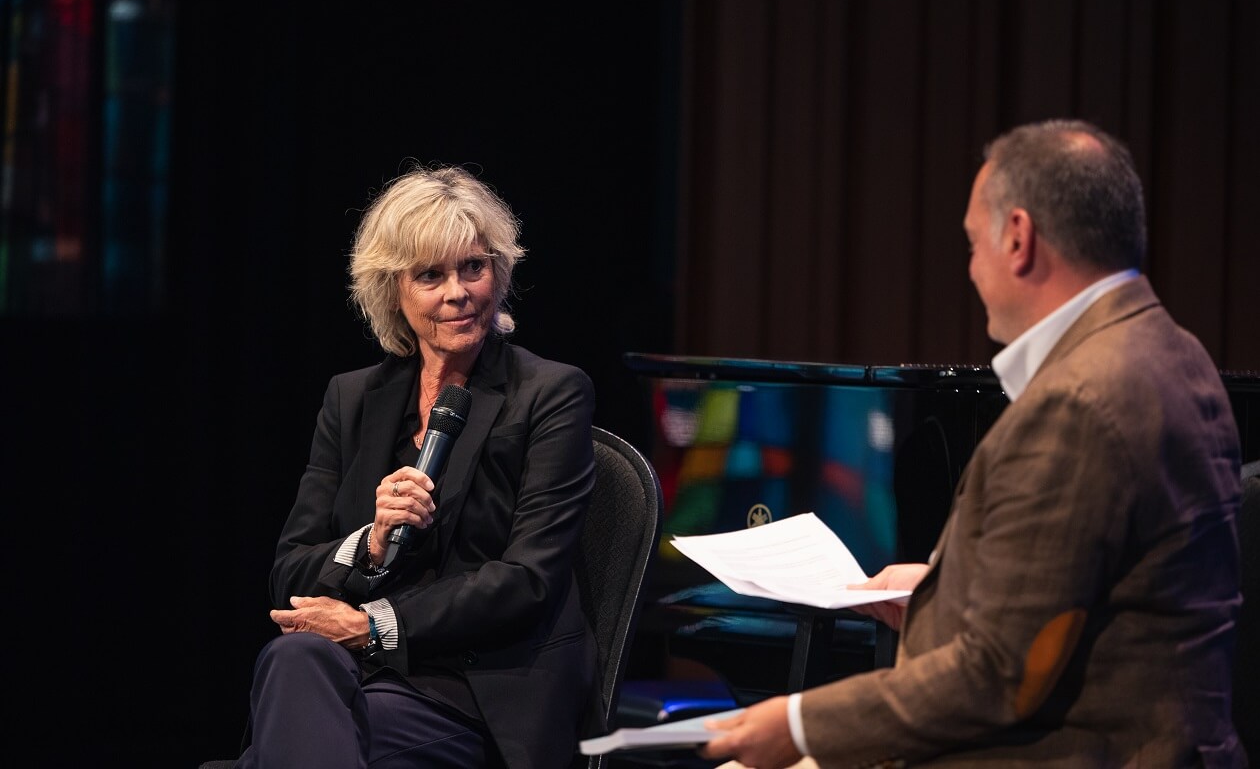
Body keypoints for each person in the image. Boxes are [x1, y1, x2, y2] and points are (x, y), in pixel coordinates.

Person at [701, 119, 1244, 768]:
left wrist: (800, 724)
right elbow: (1097, 584)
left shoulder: (1077, 400)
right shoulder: (1175, 353)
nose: (971, 269)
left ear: (1018, 237)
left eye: (970, 244)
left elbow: (994, 676)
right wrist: (942, 582)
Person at [233, 164, 598, 769]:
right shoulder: (353, 399)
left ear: (499, 273)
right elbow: (291, 577)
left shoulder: (550, 393)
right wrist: (368, 545)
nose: (457, 291)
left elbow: (528, 580)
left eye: (473, 268)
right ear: (392, 291)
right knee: (292, 658)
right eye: (430, 275)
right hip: (353, 676)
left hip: (477, 691)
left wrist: (373, 626)